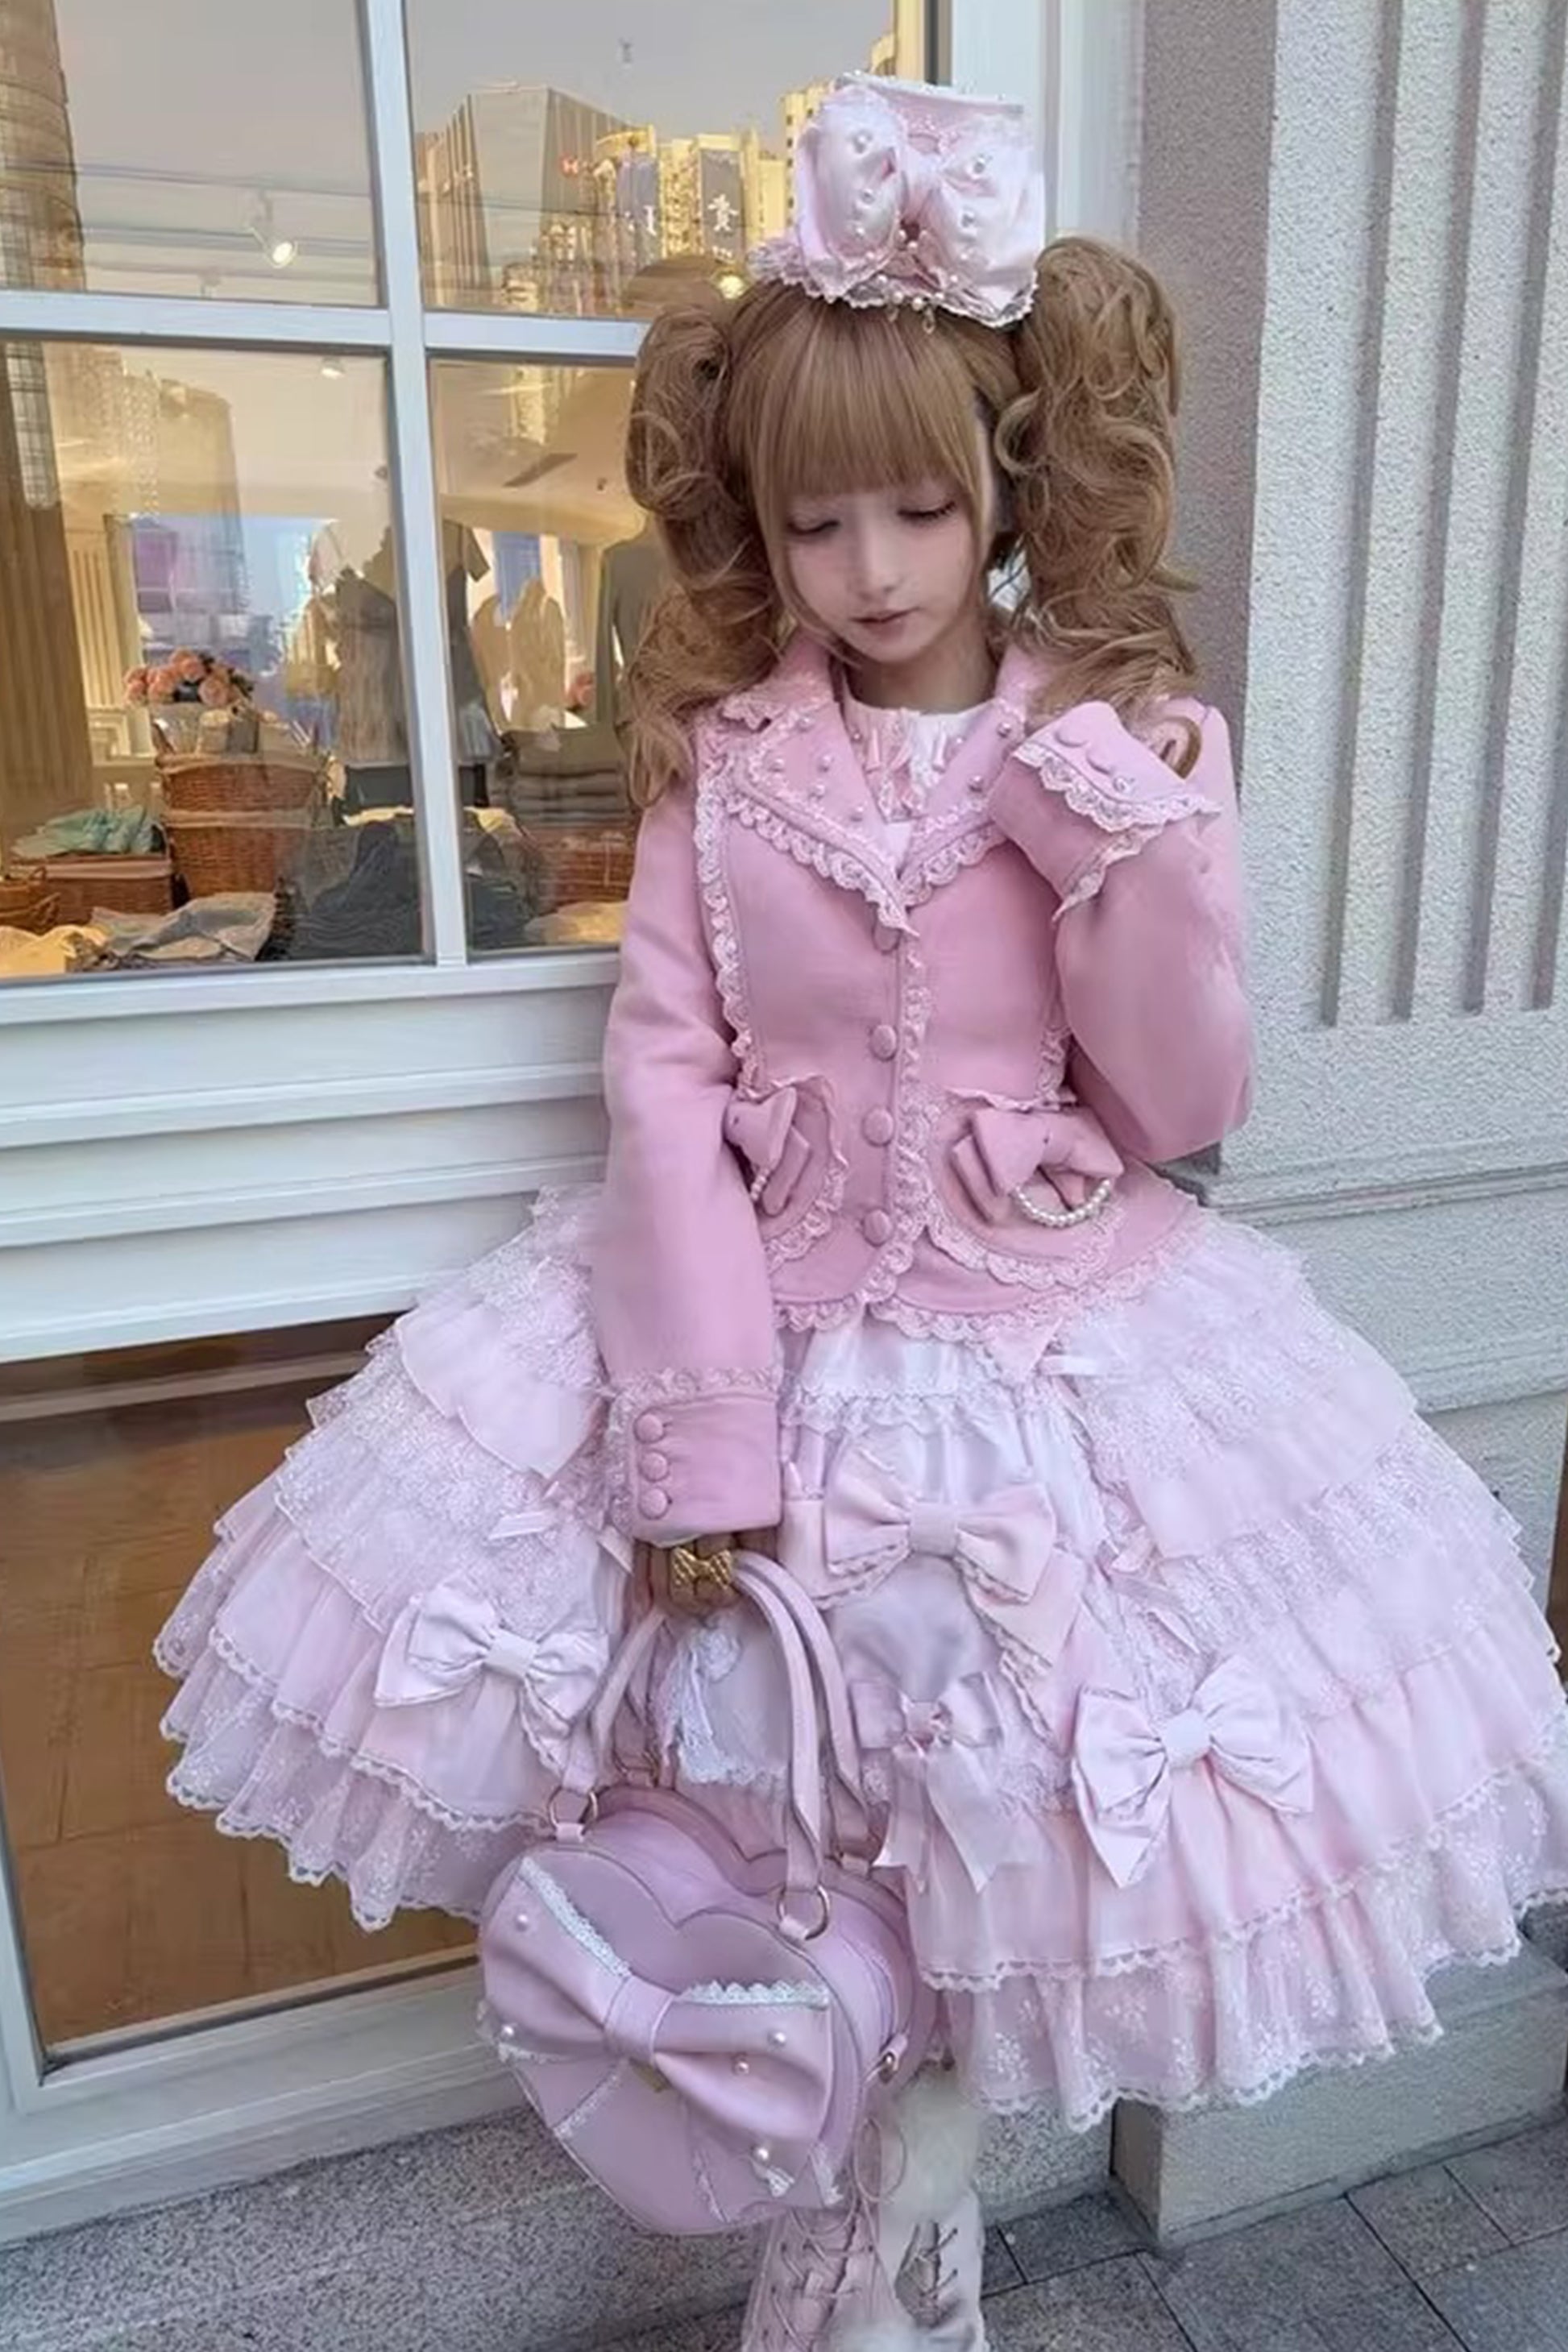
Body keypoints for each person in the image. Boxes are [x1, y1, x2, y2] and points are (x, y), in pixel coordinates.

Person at [156, 74, 1568, 2352]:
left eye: (922, 505)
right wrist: (699, 1452)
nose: (876, 567)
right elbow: (662, 1089)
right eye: (819, 522)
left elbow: (1184, 1100)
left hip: (1059, 1389)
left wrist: (1107, 832)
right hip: (765, 1370)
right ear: (761, 523)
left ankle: (907, 2277)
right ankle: (854, 2287)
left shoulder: (1132, 739)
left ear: (1011, 476)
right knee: (781, 1866)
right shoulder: (725, 765)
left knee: (992, 1874)